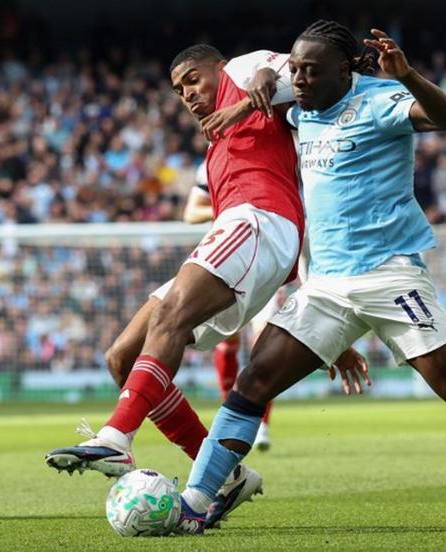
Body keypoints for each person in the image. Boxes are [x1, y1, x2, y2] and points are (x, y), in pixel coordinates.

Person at [173, 21, 446, 534]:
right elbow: (269, 75)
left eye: (311, 71)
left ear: (345, 70)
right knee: (251, 384)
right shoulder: (297, 110)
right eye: (297, 71)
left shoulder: (381, 100)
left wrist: (410, 75)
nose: (300, 80)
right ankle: (195, 502)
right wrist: (263, 78)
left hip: (391, 276)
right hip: (327, 288)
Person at [46, 44, 366, 519]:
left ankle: (116, 437)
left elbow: (293, 69)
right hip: (246, 232)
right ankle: (227, 477)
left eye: (193, 80)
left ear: (218, 68)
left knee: (172, 316)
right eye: (179, 90)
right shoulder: (217, 147)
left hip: (259, 221)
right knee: (122, 356)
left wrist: (258, 77)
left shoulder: (240, 71)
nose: (187, 94)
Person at [183, 161, 276, 451]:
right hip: (228, 261)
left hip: (268, 261)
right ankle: (230, 414)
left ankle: (261, 423)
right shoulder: (209, 165)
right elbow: (191, 213)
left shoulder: (274, 154)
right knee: (228, 340)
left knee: (265, 341)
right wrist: (232, 209)